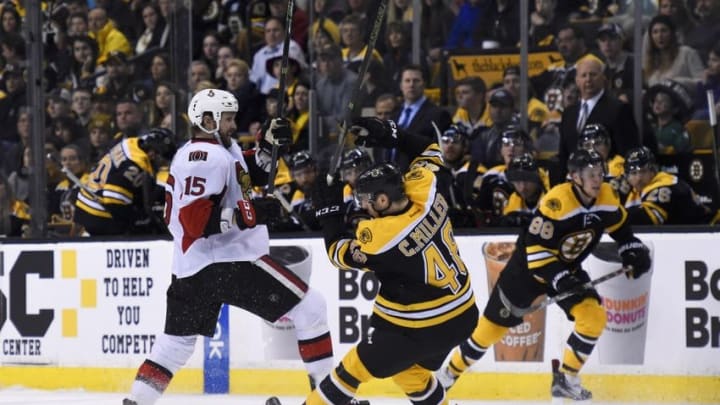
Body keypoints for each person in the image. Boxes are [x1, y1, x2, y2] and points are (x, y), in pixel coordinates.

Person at [123, 89, 334, 405]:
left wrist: (265, 147)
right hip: (229, 260)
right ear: (207, 120)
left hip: (191, 268)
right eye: (229, 118)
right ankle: (329, 399)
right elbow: (195, 221)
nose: (235, 125)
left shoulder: (209, 151)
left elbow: (241, 172)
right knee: (311, 309)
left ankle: (136, 401)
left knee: (176, 345)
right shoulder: (206, 158)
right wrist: (250, 214)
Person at [436, 149, 652, 401]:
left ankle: (566, 379)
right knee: (488, 333)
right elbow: (536, 253)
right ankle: (449, 374)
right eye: (590, 175)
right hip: (526, 272)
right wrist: (561, 279)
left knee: (593, 317)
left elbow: (621, 228)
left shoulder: (606, 195)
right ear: (574, 177)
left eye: (599, 173)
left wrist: (631, 248)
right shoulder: (557, 202)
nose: (597, 179)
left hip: (567, 270)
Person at [298, 116, 479, 405]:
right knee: (410, 375)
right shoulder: (425, 188)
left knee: (352, 369)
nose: (363, 207)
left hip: (421, 325)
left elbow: (338, 254)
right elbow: (429, 148)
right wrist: (390, 134)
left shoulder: (380, 235)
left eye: (366, 201)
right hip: (464, 315)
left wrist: (329, 214)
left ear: (382, 201)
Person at [73, 127, 176, 236]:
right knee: (145, 229)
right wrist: (139, 220)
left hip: (86, 204)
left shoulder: (130, 143)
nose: (164, 164)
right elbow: (113, 200)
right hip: (99, 214)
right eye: (164, 159)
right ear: (152, 153)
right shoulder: (133, 167)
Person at [624, 146, 712, 225]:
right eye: (633, 173)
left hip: (706, 235)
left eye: (643, 171)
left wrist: (615, 216)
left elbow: (648, 220)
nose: (639, 178)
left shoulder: (666, 185)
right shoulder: (636, 189)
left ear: (653, 170)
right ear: (627, 176)